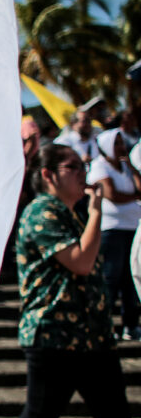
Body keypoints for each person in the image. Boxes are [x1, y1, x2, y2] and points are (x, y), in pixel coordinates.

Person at [0, 143, 140, 418]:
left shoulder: (71, 213)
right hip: (53, 338)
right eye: (74, 166)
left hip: (92, 338)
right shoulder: (41, 212)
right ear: (49, 174)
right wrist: (99, 211)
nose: (83, 173)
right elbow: (82, 262)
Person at [86, 129, 141, 340]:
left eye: (122, 143)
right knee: (111, 277)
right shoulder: (99, 165)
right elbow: (112, 195)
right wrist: (135, 196)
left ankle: (131, 324)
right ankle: (104, 326)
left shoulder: (126, 167)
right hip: (112, 229)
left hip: (131, 226)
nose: (120, 147)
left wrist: (131, 166)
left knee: (130, 279)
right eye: (116, 143)